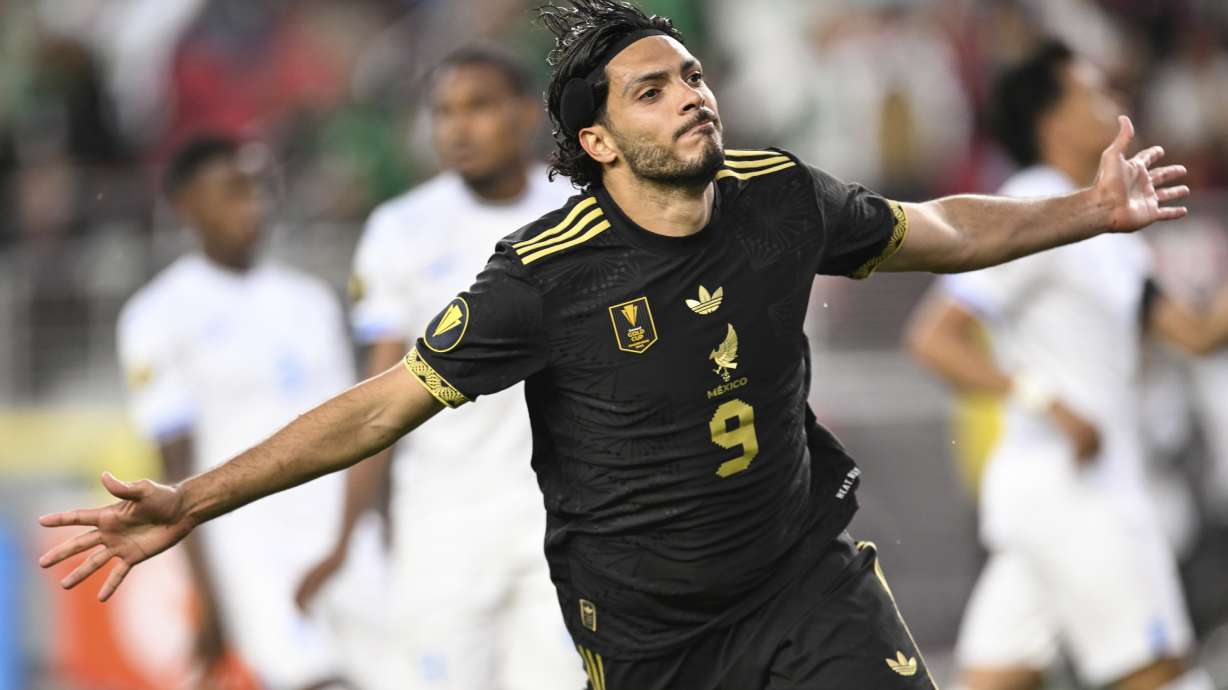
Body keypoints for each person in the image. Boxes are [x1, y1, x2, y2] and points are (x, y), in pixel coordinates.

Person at [40, 3, 1191, 688]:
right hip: (651, 638)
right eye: (653, 90)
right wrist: (192, 500)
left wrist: (1085, 211)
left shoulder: (777, 196)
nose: (692, 96)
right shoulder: (540, 278)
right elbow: (380, 403)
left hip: (802, 579)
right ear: (598, 139)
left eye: (692, 75)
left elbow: (934, 230)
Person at [905, 42, 1227, 690]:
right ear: (1053, 123)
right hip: (1086, 495)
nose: (1116, 102)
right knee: (1164, 674)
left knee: (996, 680)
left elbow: (1196, 337)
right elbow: (935, 337)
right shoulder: (1032, 207)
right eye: (1094, 93)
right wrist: (1041, 397)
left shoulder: (1105, 226)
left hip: (1040, 506)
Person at [292, 47, 583, 690]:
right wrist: (347, 539)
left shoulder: (582, 213)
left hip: (561, 516)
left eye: (477, 106)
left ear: (524, 115)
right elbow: (378, 395)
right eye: (443, 111)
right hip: (442, 522)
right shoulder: (401, 228)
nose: (457, 127)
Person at [114, 135, 380, 690]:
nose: (251, 204)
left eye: (257, 189)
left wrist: (364, 529)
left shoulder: (311, 301)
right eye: (232, 191)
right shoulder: (156, 315)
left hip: (346, 536)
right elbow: (175, 469)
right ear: (187, 205)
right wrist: (206, 592)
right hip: (253, 544)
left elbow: (360, 425)